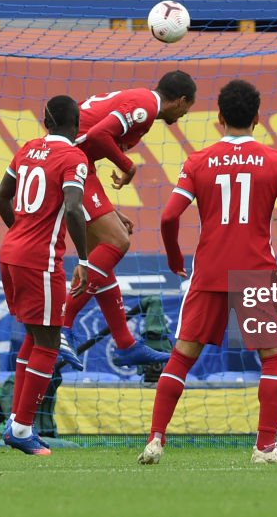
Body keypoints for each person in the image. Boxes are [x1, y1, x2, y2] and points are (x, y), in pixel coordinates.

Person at [138, 79, 277, 465]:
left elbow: (168, 216)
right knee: (275, 357)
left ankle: (155, 439)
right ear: (257, 118)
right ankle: (264, 447)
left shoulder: (197, 161)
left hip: (210, 271)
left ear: (218, 117)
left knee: (181, 357)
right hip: (256, 272)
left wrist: (172, 256)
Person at [59, 71, 195, 369]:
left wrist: (110, 210)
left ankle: (125, 345)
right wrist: (127, 166)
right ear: (181, 101)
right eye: (188, 108)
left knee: (105, 254)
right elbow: (96, 136)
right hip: (68, 161)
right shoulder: (145, 107)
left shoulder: (142, 102)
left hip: (79, 163)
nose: (185, 114)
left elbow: (92, 137)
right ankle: (62, 325)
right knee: (118, 241)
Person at [0, 95, 90, 456]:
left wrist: (21, 231)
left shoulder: (27, 150)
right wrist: (85, 258)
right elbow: (74, 208)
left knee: (34, 337)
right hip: (40, 260)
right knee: (50, 343)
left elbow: (1, 200)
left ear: (44, 121)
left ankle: (17, 421)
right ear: (77, 123)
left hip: (10, 253)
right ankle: (21, 428)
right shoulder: (73, 158)